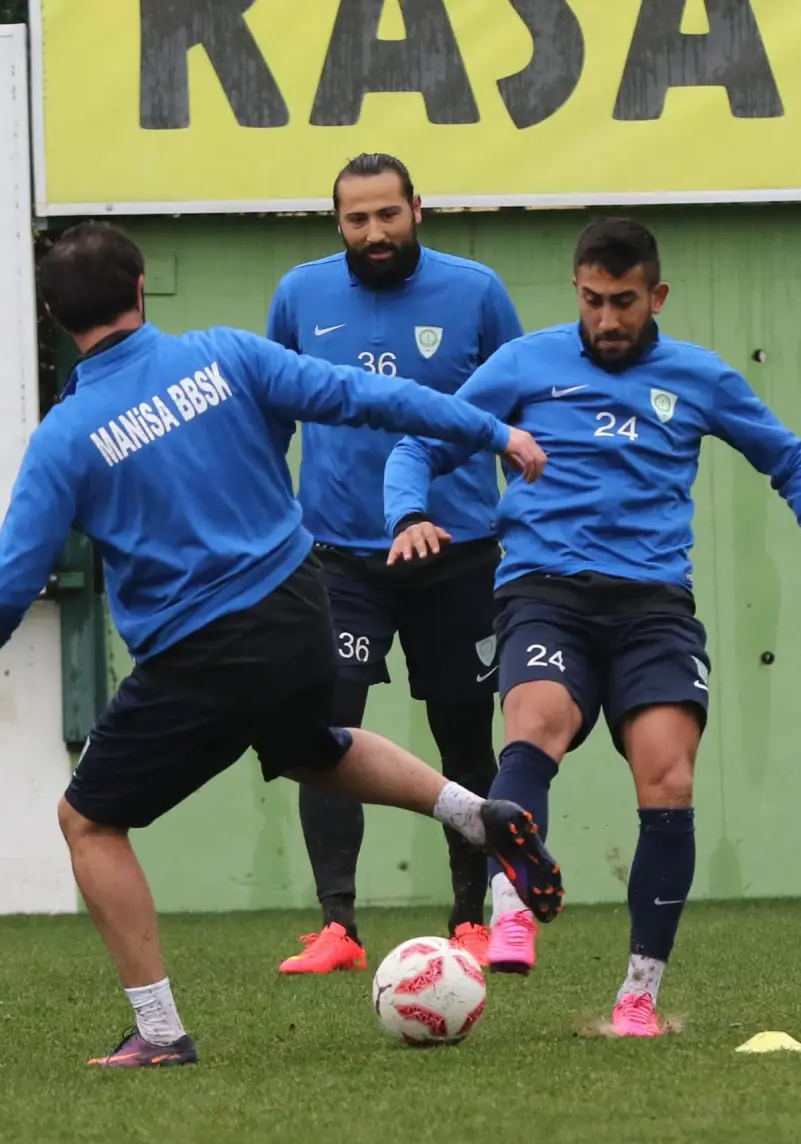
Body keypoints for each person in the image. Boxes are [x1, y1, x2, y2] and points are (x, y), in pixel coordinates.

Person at [0, 221, 561, 1068]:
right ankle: (472, 814)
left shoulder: (66, 436)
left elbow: (15, 575)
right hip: (303, 603)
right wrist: (490, 432)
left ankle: (160, 1033)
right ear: (142, 288)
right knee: (312, 747)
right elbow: (371, 397)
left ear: (53, 314)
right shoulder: (227, 354)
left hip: (202, 650)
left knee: (88, 821)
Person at [384, 217, 801, 1034]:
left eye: (623, 302)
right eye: (592, 300)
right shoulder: (525, 363)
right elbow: (422, 440)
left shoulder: (699, 377)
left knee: (669, 779)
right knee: (537, 723)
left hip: (652, 608)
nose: (607, 319)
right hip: (544, 590)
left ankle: (638, 995)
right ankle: (511, 900)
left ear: (655, 296)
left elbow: (788, 457)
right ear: (577, 293)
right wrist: (408, 512)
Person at [266, 153, 523, 975]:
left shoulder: (477, 292)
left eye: (388, 214)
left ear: (419, 207)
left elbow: (519, 408)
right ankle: (337, 926)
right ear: (335, 222)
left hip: (459, 555)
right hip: (340, 558)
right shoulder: (299, 296)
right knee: (324, 730)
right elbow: (271, 419)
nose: (374, 233)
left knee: (462, 731)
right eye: (356, 220)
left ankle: (469, 917)